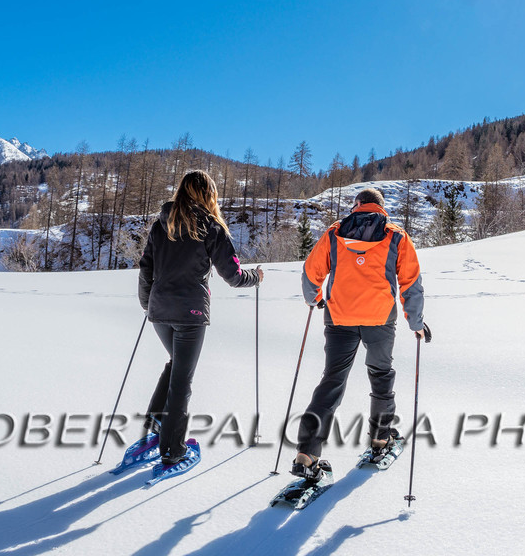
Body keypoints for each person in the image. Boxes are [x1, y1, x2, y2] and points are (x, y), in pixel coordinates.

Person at [122, 169, 262, 481]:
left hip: (160, 311)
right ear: (208, 194)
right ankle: (173, 450)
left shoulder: (163, 223)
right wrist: (256, 277)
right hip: (190, 315)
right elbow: (234, 276)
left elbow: (146, 269)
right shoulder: (211, 227)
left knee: (175, 367)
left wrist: (149, 305)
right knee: (182, 380)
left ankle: (158, 425)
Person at [291, 187, 427, 485]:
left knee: (332, 381)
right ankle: (380, 440)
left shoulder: (334, 233)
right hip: (380, 318)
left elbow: (310, 272)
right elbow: (411, 283)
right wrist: (415, 322)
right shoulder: (396, 236)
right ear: (381, 207)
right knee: (380, 374)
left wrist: (314, 298)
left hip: (339, 317)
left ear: (357, 206)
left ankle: (307, 454)